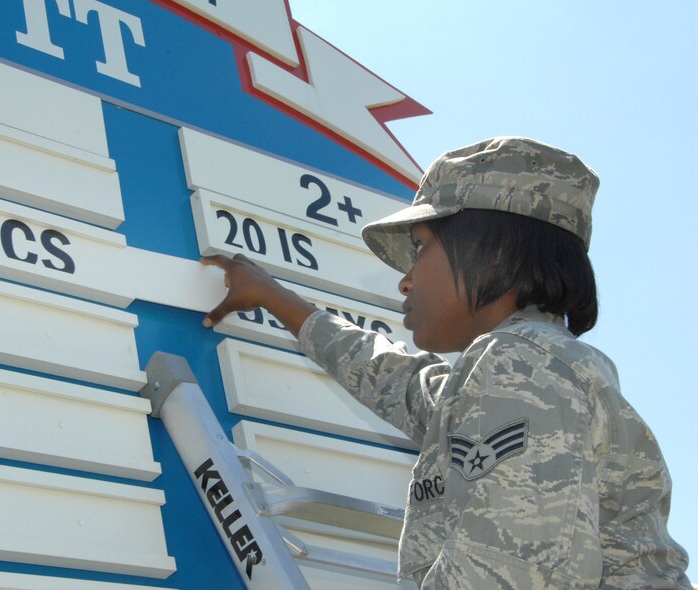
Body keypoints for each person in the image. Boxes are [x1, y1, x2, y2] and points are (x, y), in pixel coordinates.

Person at [200, 137, 691, 589]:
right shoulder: (531, 368)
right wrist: (275, 297)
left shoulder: (518, 366)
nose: (406, 281)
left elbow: (503, 575)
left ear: (493, 251)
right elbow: (399, 383)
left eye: (420, 248)